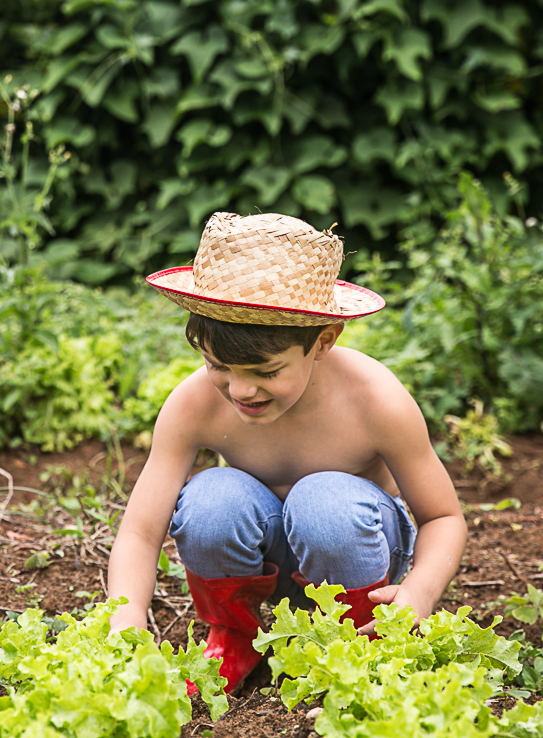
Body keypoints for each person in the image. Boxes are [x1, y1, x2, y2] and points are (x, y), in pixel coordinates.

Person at [106, 211, 467, 694]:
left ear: (322, 342)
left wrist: (419, 593)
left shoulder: (374, 401)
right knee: (211, 497)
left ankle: (355, 644)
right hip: (263, 567)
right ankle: (235, 634)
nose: (240, 390)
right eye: (218, 365)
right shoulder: (196, 403)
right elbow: (139, 531)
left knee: (323, 501)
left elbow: (444, 518)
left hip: (354, 557)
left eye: (266, 371)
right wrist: (125, 622)